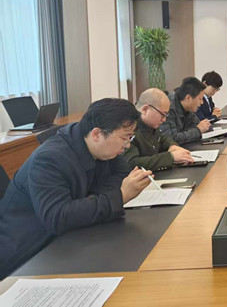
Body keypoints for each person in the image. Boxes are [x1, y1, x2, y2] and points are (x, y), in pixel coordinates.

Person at [0, 98, 152, 279]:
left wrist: (92, 201)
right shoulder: (49, 159)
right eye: (124, 138)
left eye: (130, 138)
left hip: (70, 238)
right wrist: (120, 196)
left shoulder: (103, 148)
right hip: (28, 254)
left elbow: (121, 174)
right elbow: (58, 217)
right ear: (97, 133)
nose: (127, 145)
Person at [124, 88, 194, 171]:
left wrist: (172, 146)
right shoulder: (129, 128)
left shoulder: (150, 124)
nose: (164, 119)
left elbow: (161, 139)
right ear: (145, 109)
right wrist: (171, 157)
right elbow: (132, 163)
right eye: (162, 115)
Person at [160, 77, 211, 144]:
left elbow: (196, 125)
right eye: (200, 99)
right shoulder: (168, 107)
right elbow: (172, 139)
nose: (202, 102)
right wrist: (198, 131)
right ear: (188, 98)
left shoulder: (187, 107)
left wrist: (203, 127)